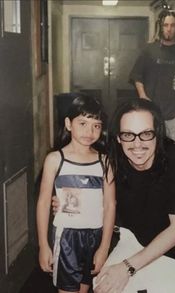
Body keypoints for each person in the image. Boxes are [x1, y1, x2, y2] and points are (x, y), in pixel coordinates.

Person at [93, 98, 175, 293]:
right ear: (118, 137)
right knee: (102, 286)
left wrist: (126, 268)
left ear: (157, 135)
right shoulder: (113, 161)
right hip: (133, 242)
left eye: (145, 134)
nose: (137, 144)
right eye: (128, 135)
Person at [36, 94, 116, 293]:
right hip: (67, 238)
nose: (89, 131)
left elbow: (110, 205)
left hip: (96, 236)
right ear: (68, 124)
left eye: (96, 125)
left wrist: (104, 247)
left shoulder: (105, 162)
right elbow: (44, 203)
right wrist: (43, 245)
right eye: (82, 123)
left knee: (84, 289)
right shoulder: (55, 159)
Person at [129, 9, 175, 149]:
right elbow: (136, 75)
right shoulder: (149, 50)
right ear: (160, 26)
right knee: (154, 151)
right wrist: (142, 95)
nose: (169, 29)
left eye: (172, 25)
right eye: (166, 25)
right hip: (153, 113)